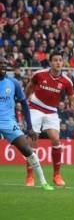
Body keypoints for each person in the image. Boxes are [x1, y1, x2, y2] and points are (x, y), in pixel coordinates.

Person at [25, 51, 74, 187]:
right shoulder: (39, 74)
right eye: (55, 60)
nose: (58, 63)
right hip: (35, 107)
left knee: (56, 139)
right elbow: (29, 87)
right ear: (50, 62)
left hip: (51, 111)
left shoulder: (66, 81)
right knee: (32, 140)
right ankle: (29, 176)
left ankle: (57, 175)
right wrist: (24, 101)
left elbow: (72, 99)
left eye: (60, 60)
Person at [0, 57, 53, 190]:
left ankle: (43, 182)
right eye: (0, 64)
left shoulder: (13, 83)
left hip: (8, 122)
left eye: (4, 64)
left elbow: (24, 104)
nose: (2, 67)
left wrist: (29, 127)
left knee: (27, 150)